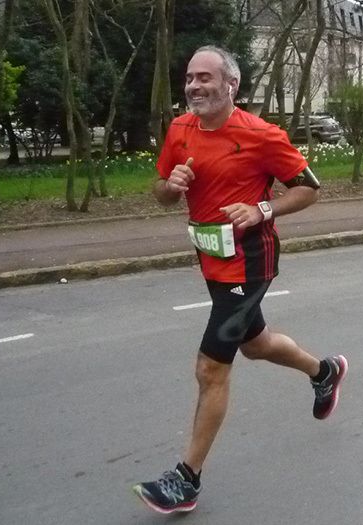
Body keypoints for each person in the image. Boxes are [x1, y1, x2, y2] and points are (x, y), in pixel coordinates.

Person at [131, 45, 348, 515]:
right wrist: (171, 187)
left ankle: (186, 479)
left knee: (211, 369)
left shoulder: (261, 135)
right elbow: (161, 192)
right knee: (256, 344)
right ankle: (324, 371)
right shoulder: (180, 129)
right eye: (190, 77)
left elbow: (309, 188)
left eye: (205, 77)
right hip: (212, 260)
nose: (194, 86)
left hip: (250, 263)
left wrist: (261, 209)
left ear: (232, 85)